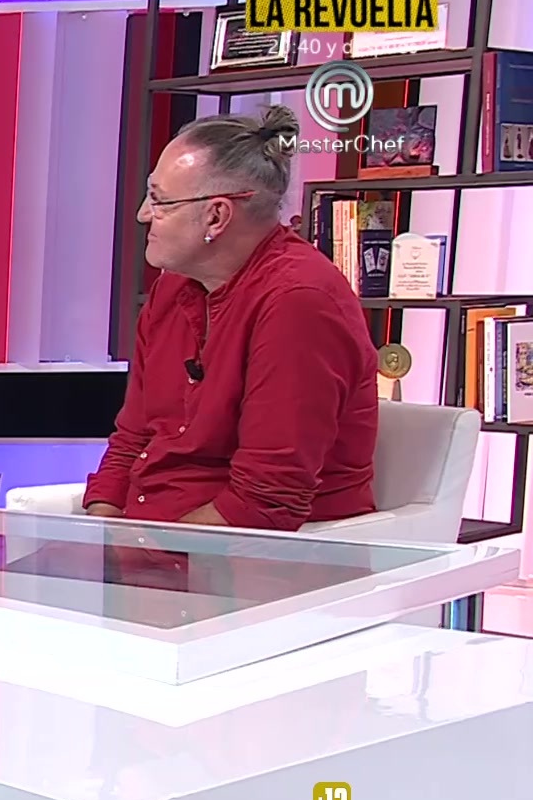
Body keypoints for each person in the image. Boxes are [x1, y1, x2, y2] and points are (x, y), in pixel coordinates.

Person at [82, 104, 378, 530]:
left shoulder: (299, 302)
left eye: (160, 201)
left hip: (257, 555)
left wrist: (141, 553)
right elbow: (133, 439)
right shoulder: (171, 289)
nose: (143, 214)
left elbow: (264, 503)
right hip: (158, 538)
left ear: (216, 216)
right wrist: (99, 538)